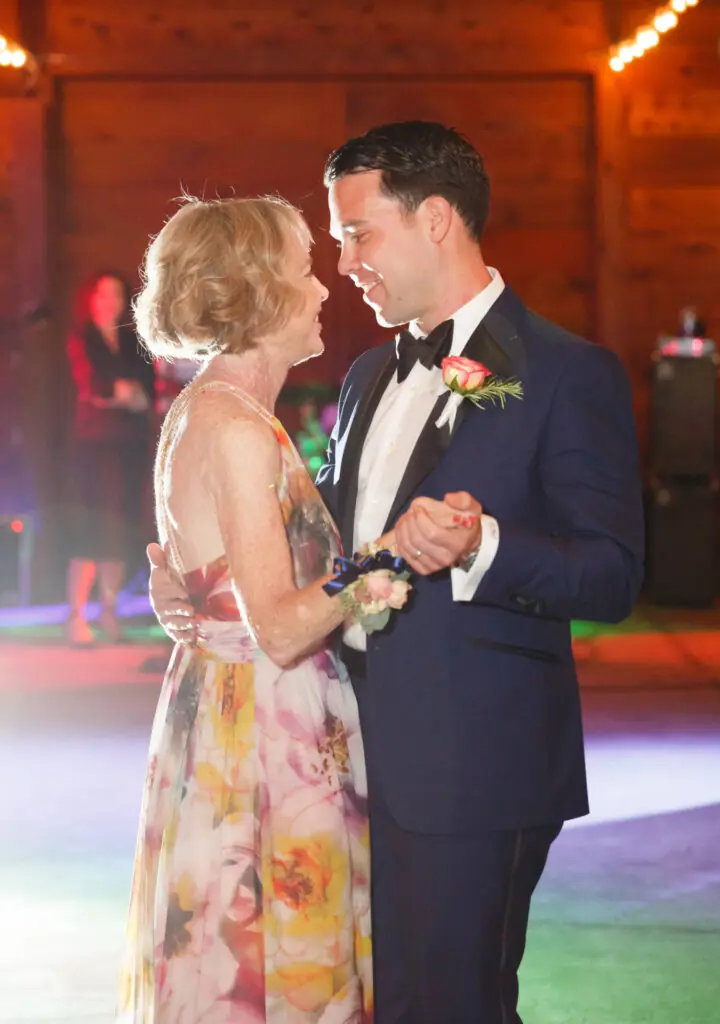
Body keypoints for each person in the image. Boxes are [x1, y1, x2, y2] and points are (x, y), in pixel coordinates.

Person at [149, 123, 645, 1023]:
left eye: (357, 233)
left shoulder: (569, 373)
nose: (343, 263)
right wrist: (199, 576)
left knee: (449, 1004)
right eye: (334, 242)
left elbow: (611, 574)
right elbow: (320, 546)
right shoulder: (367, 376)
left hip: (469, 768)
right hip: (330, 759)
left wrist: (482, 543)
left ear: (438, 220)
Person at [118, 195, 424, 1022]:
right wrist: (395, 553)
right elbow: (282, 627)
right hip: (263, 736)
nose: (324, 289)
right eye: (302, 270)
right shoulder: (238, 430)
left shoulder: (210, 413)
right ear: (257, 291)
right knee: (272, 964)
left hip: (229, 714)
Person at [66, 271, 154, 645]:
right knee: (89, 528)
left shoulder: (134, 341)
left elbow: (146, 390)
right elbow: (93, 386)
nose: (110, 301)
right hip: (93, 443)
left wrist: (127, 393)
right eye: (103, 295)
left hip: (128, 444)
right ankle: (76, 616)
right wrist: (121, 393)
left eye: (117, 295)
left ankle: (109, 612)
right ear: (91, 299)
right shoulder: (81, 338)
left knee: (118, 527)